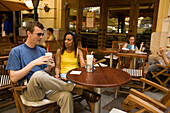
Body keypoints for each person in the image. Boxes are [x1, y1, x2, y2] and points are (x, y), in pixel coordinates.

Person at [6, 21, 100, 113]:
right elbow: (13, 78)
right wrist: (33, 63)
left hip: (46, 88)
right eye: (38, 34)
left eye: (42, 34)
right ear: (29, 33)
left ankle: (73, 90)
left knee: (66, 96)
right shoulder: (16, 51)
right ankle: (76, 89)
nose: (41, 37)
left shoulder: (42, 51)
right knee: (37, 74)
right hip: (30, 91)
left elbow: (44, 75)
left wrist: (49, 68)